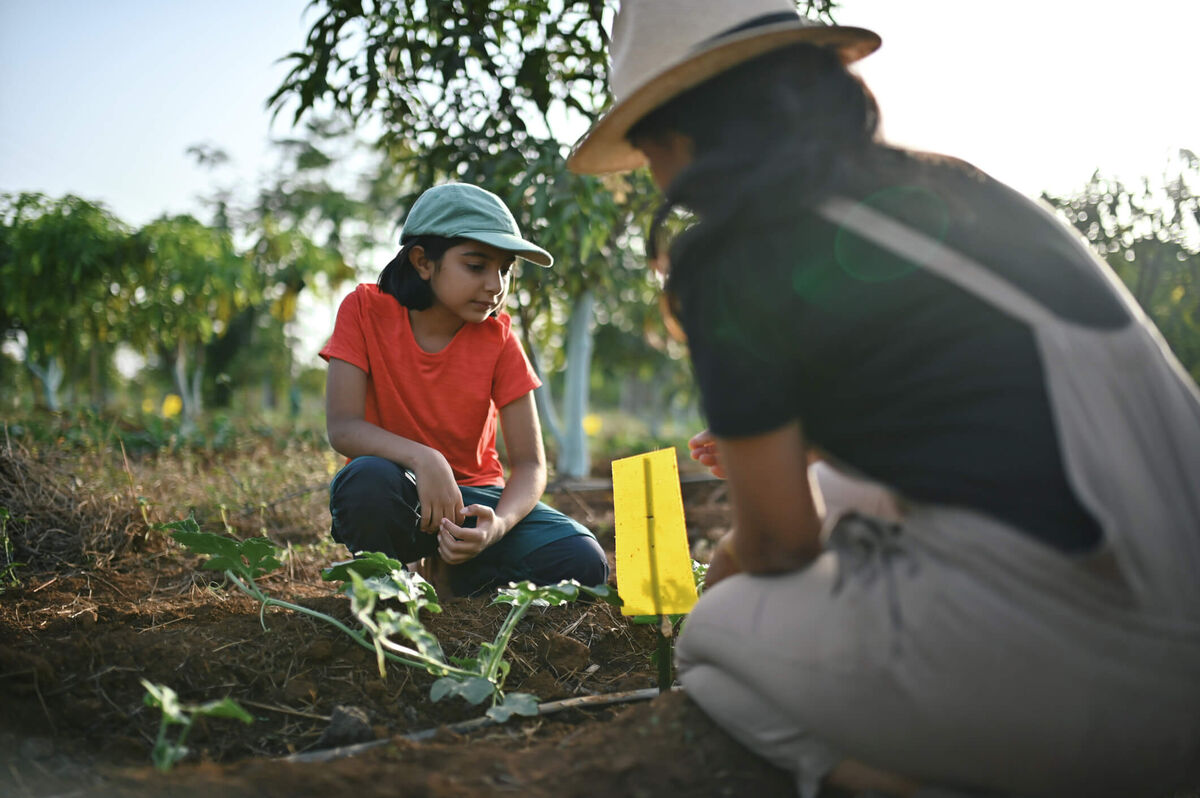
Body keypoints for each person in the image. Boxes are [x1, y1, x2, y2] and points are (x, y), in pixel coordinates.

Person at [568, 2, 1200, 797]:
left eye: (649, 148)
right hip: (1173, 584)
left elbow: (782, 545)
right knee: (842, 491)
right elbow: (972, 409)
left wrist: (724, 578)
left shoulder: (734, 256)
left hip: (1120, 669)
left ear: (678, 133)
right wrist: (807, 450)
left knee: (711, 644)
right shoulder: (955, 186)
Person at [320, 182, 608, 598]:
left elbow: (530, 464)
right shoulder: (364, 309)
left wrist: (497, 526)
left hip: (476, 502)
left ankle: (457, 569)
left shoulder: (500, 340)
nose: (496, 285)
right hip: (400, 492)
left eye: (505, 269)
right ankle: (392, 580)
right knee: (365, 482)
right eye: (476, 266)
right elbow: (344, 427)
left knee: (583, 560)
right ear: (423, 261)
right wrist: (424, 459)